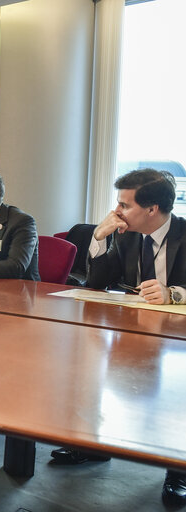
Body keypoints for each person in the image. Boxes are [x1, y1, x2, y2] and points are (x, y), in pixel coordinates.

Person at [55, 168, 186, 506]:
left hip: (179, 339)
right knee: (90, 365)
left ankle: (179, 469)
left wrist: (174, 293)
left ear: (152, 209)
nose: (117, 212)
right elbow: (96, 282)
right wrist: (99, 238)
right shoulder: (128, 235)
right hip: (135, 329)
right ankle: (95, 445)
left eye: (124, 205)